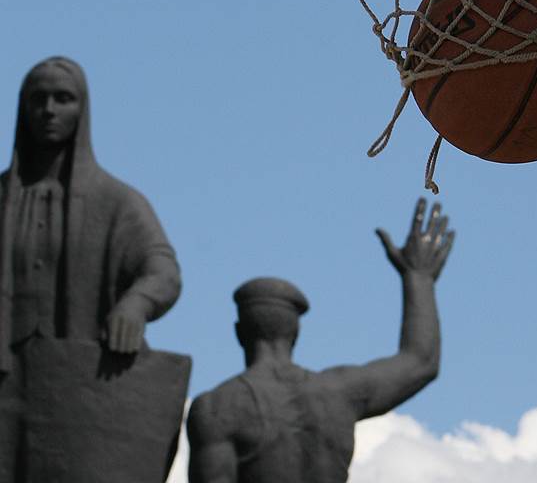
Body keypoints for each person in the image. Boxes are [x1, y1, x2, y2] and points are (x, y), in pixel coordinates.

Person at [0, 57, 182, 481]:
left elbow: (162, 269)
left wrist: (136, 304)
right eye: (38, 100)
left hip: (77, 382)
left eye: (62, 99)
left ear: (82, 110)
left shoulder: (115, 201)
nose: (49, 110)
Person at [188, 198, 455, 483]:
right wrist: (418, 278)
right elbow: (421, 361)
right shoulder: (339, 392)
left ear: (240, 332)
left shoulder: (218, 407)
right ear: (295, 333)